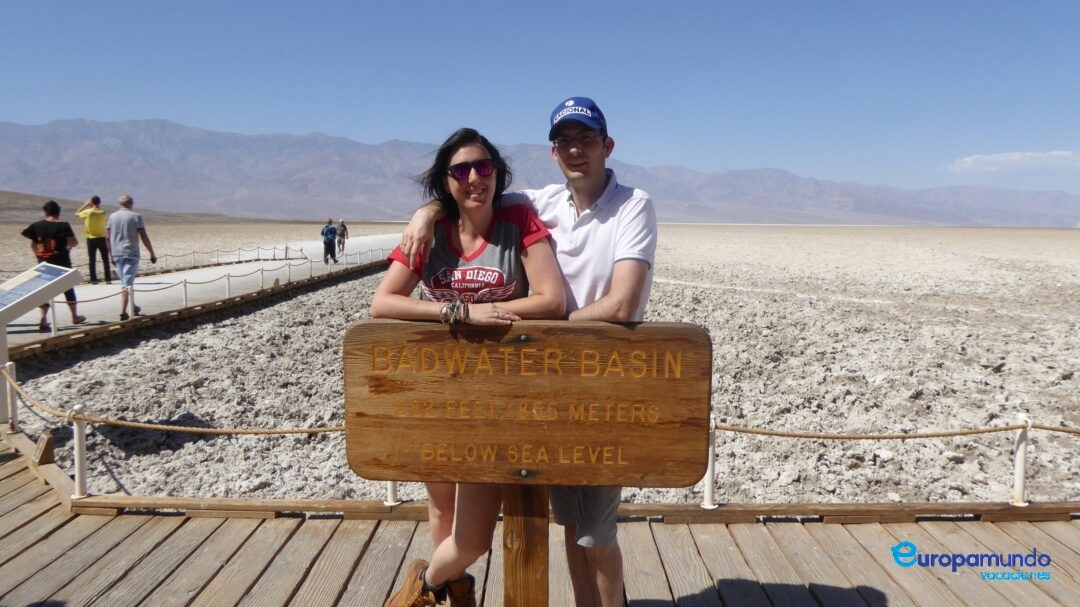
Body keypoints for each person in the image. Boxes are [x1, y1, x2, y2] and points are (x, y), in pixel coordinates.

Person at [402, 98, 657, 607]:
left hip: (602, 382)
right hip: (547, 388)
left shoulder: (633, 204)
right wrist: (428, 210)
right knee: (569, 521)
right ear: (553, 151)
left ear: (607, 146)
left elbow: (623, 301)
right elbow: (472, 194)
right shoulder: (540, 202)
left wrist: (543, 328)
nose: (575, 149)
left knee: (597, 534)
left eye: (586, 139)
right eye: (565, 141)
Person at [375, 127, 565, 607]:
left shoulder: (517, 221)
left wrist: (492, 315)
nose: (475, 178)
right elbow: (383, 302)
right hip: (433, 393)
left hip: (495, 401)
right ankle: (452, 593)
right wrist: (459, 312)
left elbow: (553, 299)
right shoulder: (431, 233)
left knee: (474, 538)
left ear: (498, 174)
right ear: (447, 180)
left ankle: (421, 587)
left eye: (484, 167)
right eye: (462, 170)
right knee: (441, 505)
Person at [21, 200, 87, 330]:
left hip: (44, 262)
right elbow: (74, 242)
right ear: (58, 212)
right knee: (68, 288)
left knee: (44, 291)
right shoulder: (63, 225)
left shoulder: (37, 226)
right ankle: (74, 316)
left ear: (45, 212)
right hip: (62, 261)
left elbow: (33, 245)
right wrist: (69, 245)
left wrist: (39, 256)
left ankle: (43, 318)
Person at [107, 194, 157, 321]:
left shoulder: (112, 217)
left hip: (117, 253)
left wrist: (110, 254)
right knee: (127, 283)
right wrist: (152, 253)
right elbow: (144, 236)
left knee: (125, 280)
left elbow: (107, 237)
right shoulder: (136, 217)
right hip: (131, 253)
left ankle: (133, 306)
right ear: (131, 203)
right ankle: (123, 311)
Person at [74, 195, 111, 284]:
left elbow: (76, 214)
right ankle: (108, 279)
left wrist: (85, 204)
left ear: (91, 202)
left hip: (91, 239)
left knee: (92, 260)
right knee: (105, 259)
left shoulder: (88, 212)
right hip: (101, 238)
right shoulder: (103, 212)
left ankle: (94, 279)